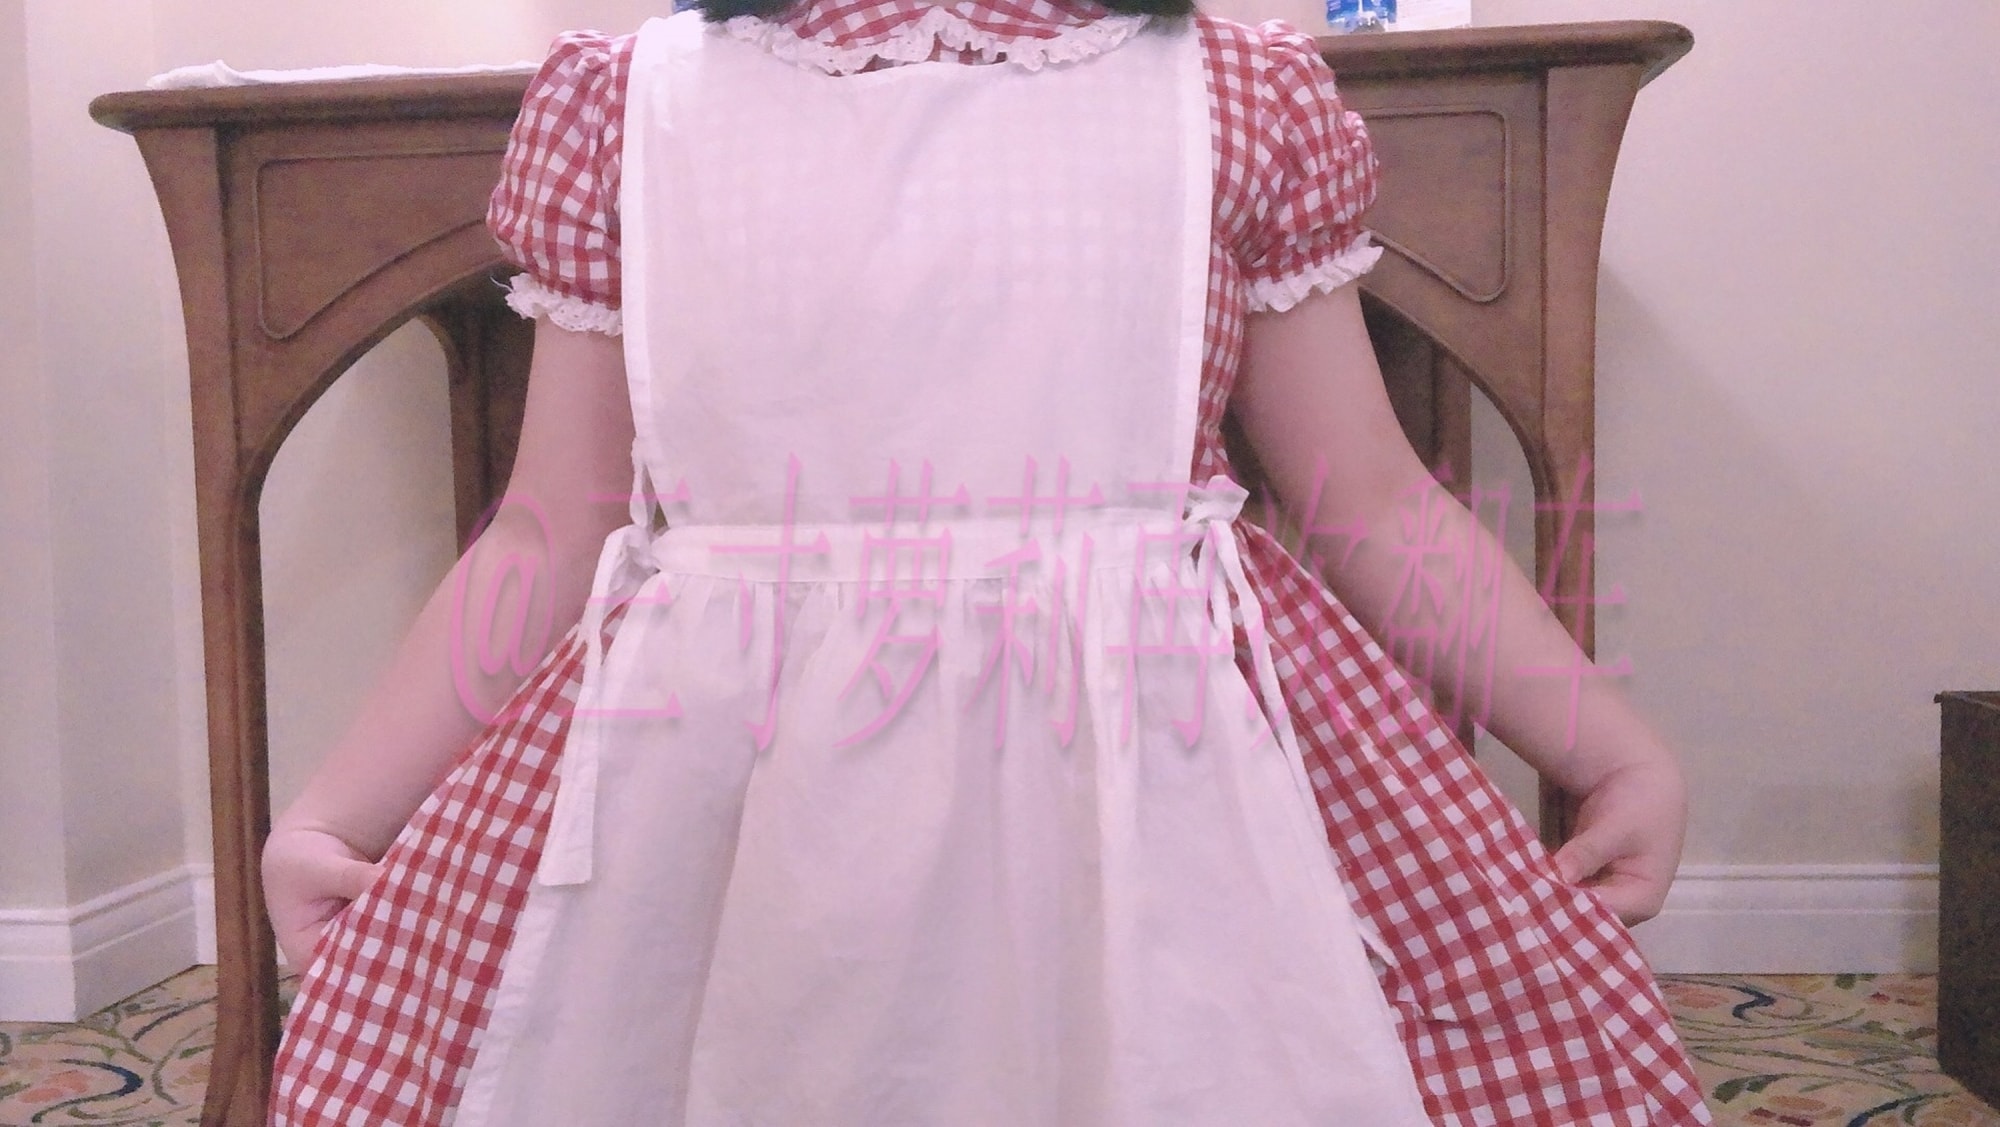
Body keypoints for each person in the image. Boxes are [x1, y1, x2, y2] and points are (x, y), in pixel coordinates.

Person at [263, 0, 1712, 1122]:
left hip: (1159, 796)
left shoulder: (1231, 96)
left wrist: (1605, 744)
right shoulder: (631, 109)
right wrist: (338, 807)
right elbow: (548, 526)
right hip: (724, 801)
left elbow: (1374, 502)